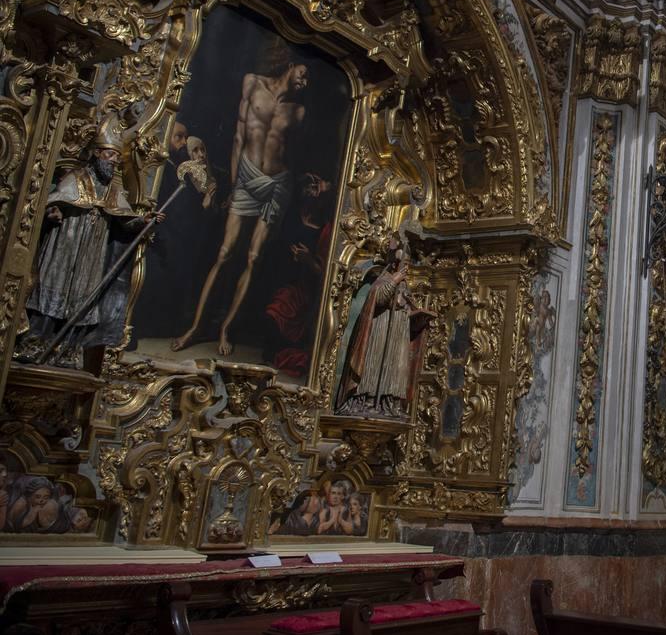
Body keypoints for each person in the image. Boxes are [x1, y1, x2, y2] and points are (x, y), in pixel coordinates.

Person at [172, 47, 310, 356]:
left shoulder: (298, 112)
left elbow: (293, 156)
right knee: (224, 253)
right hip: (246, 178)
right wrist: (235, 184)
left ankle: (226, 329)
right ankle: (195, 327)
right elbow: (238, 136)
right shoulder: (252, 83)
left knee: (253, 258)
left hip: (277, 184)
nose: (306, 81)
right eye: (304, 74)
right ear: (290, 66)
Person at [22, 114, 162, 366]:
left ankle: (68, 350)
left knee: (82, 297)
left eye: (118, 157)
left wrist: (145, 221)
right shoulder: (75, 179)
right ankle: (36, 342)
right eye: (110, 156)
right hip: (65, 247)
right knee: (53, 291)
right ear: (97, 153)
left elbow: (125, 221)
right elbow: (53, 202)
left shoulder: (112, 191)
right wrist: (53, 212)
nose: (115, 162)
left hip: (92, 254)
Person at [335, 236, 434, 418]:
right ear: (396, 263)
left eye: (408, 263)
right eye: (404, 262)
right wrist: (394, 280)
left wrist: (417, 318)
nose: (406, 267)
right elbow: (378, 297)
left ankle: (390, 403)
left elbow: (405, 306)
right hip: (380, 331)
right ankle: (367, 399)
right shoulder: (386, 278)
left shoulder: (405, 286)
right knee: (375, 365)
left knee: (396, 369)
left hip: (398, 333)